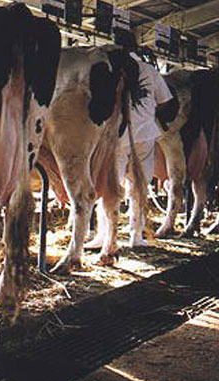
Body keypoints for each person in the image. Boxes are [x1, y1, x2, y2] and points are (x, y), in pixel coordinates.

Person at [87, 35, 175, 249]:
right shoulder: (149, 70)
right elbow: (166, 101)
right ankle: (136, 235)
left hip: (118, 136)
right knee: (139, 186)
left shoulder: (109, 68)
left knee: (111, 186)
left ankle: (104, 235)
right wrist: (148, 111)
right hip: (145, 135)